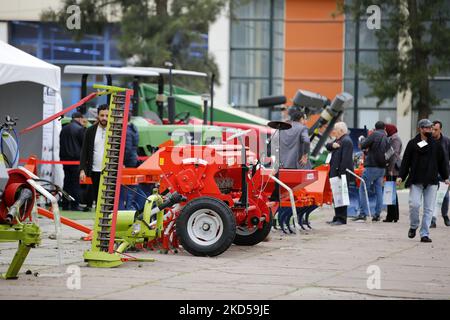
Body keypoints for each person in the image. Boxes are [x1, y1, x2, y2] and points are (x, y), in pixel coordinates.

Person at [397, 119, 449, 243]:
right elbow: (406, 162)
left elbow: (442, 162)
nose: (429, 130)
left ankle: (424, 233)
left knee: (429, 209)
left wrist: (446, 176)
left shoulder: (436, 145)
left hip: (431, 180)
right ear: (420, 129)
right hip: (416, 180)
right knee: (414, 204)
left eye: (431, 128)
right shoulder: (412, 144)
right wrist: (401, 176)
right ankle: (414, 225)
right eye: (427, 128)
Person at [353, 121, 389, 222]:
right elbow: (390, 153)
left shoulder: (374, 135)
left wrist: (362, 140)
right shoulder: (386, 137)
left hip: (371, 167)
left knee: (363, 189)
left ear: (375, 128)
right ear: (384, 128)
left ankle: (362, 213)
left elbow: (363, 145)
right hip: (382, 168)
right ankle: (377, 214)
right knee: (378, 190)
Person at [79, 104, 109, 212]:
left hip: (109, 171)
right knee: (97, 198)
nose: (104, 118)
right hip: (95, 170)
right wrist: (82, 169)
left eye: (106, 115)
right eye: (102, 115)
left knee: (108, 199)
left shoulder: (114, 132)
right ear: (98, 115)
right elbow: (84, 152)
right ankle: (98, 222)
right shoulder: (90, 131)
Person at [325, 122, 354, 225]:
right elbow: (327, 146)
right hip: (335, 172)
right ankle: (337, 216)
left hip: (340, 173)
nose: (334, 131)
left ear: (341, 131)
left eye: (335, 129)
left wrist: (341, 174)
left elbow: (346, 160)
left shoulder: (346, 141)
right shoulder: (339, 140)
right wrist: (332, 145)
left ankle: (342, 218)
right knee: (336, 197)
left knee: (342, 196)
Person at [59, 112, 85, 211]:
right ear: (79, 119)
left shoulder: (64, 129)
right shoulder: (80, 129)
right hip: (76, 160)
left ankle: (65, 204)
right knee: (75, 184)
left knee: (67, 182)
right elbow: (84, 145)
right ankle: (75, 204)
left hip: (65, 160)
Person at [430, 120, 450, 227]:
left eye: (436, 129)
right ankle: (432, 220)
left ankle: (445, 215)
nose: (433, 131)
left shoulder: (446, 141)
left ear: (440, 130)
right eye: (432, 129)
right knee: (432, 197)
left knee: (445, 197)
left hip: (444, 174)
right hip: (431, 173)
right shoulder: (427, 141)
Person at [119, 121, 140, 210]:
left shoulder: (126, 131)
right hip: (133, 159)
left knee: (126, 187)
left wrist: (122, 162)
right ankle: (129, 206)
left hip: (128, 161)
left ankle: (126, 208)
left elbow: (126, 148)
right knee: (131, 186)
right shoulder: (133, 129)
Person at [383, 124, 402, 222]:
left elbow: (394, 155)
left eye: (386, 129)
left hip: (392, 170)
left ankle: (392, 216)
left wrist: (390, 170)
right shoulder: (392, 139)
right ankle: (392, 216)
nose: (385, 131)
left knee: (391, 193)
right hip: (391, 170)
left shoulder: (395, 140)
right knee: (391, 193)